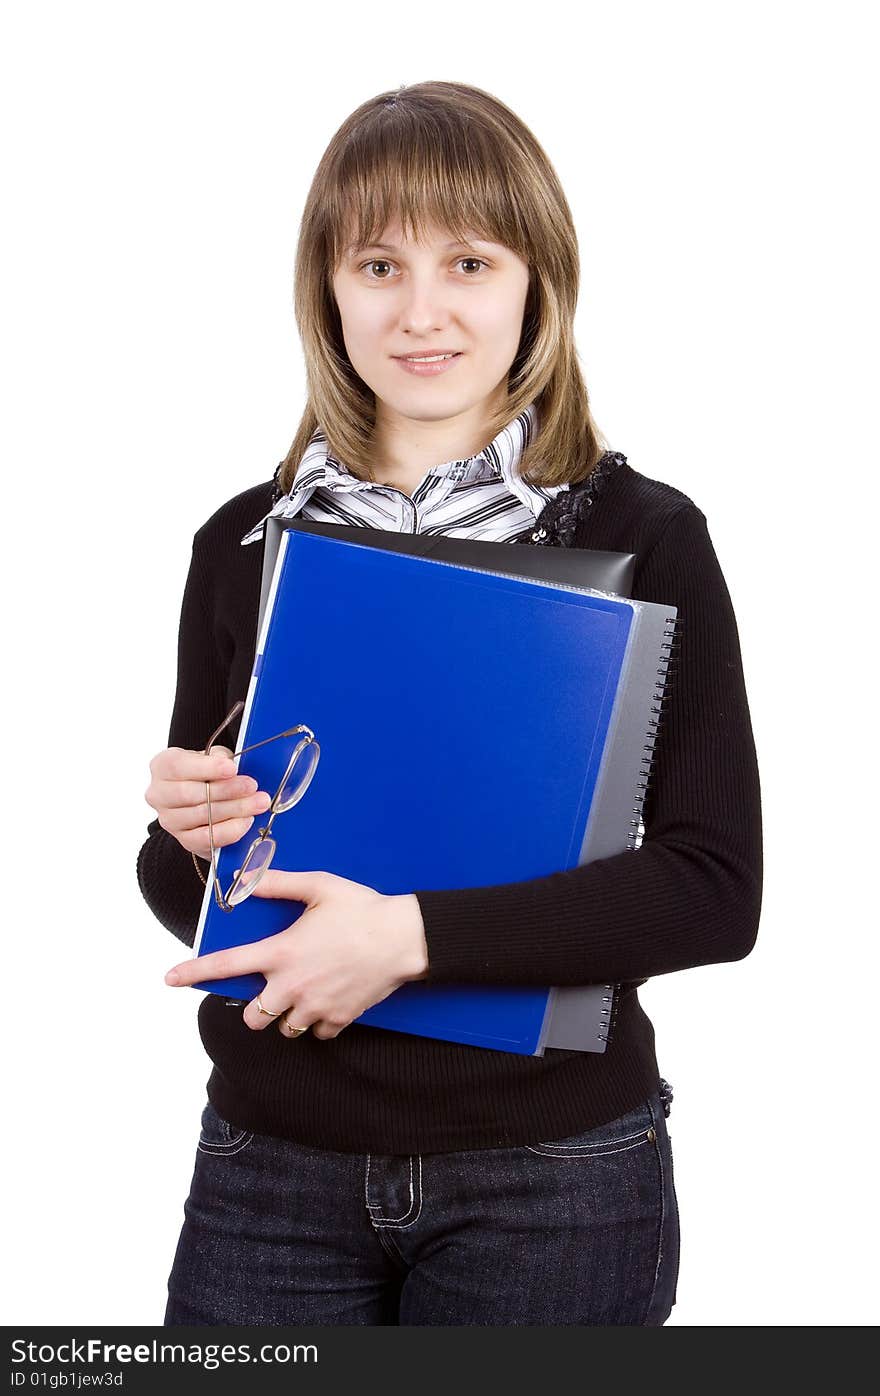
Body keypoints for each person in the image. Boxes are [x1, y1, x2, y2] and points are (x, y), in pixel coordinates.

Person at [137, 79, 762, 1327]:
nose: (421, 311)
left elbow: (712, 887)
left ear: (537, 278)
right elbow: (188, 892)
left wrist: (410, 940)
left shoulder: (647, 537)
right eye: (378, 263)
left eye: (467, 260)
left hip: (553, 1182)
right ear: (327, 287)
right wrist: (191, 837)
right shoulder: (244, 544)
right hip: (269, 1171)